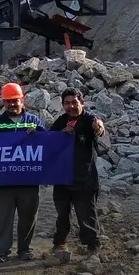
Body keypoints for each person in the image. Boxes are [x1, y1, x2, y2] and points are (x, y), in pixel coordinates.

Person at [46, 88, 106, 265]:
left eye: (74, 102)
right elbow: (48, 142)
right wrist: (58, 136)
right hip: (62, 179)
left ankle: (93, 248)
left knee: (87, 215)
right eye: (67, 103)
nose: (71, 106)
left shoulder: (91, 121)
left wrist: (100, 130)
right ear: (63, 104)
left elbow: (103, 143)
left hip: (84, 180)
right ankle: (59, 245)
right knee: (62, 215)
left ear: (82, 102)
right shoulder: (61, 121)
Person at [0, 82, 44, 263]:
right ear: (3, 103)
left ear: (23, 100)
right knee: (3, 219)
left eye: (15, 101)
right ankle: (1, 251)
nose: (12, 104)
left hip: (28, 180)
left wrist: (38, 134)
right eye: (8, 101)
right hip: (3, 181)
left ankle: (25, 250)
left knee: (28, 218)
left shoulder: (34, 121)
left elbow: (48, 144)